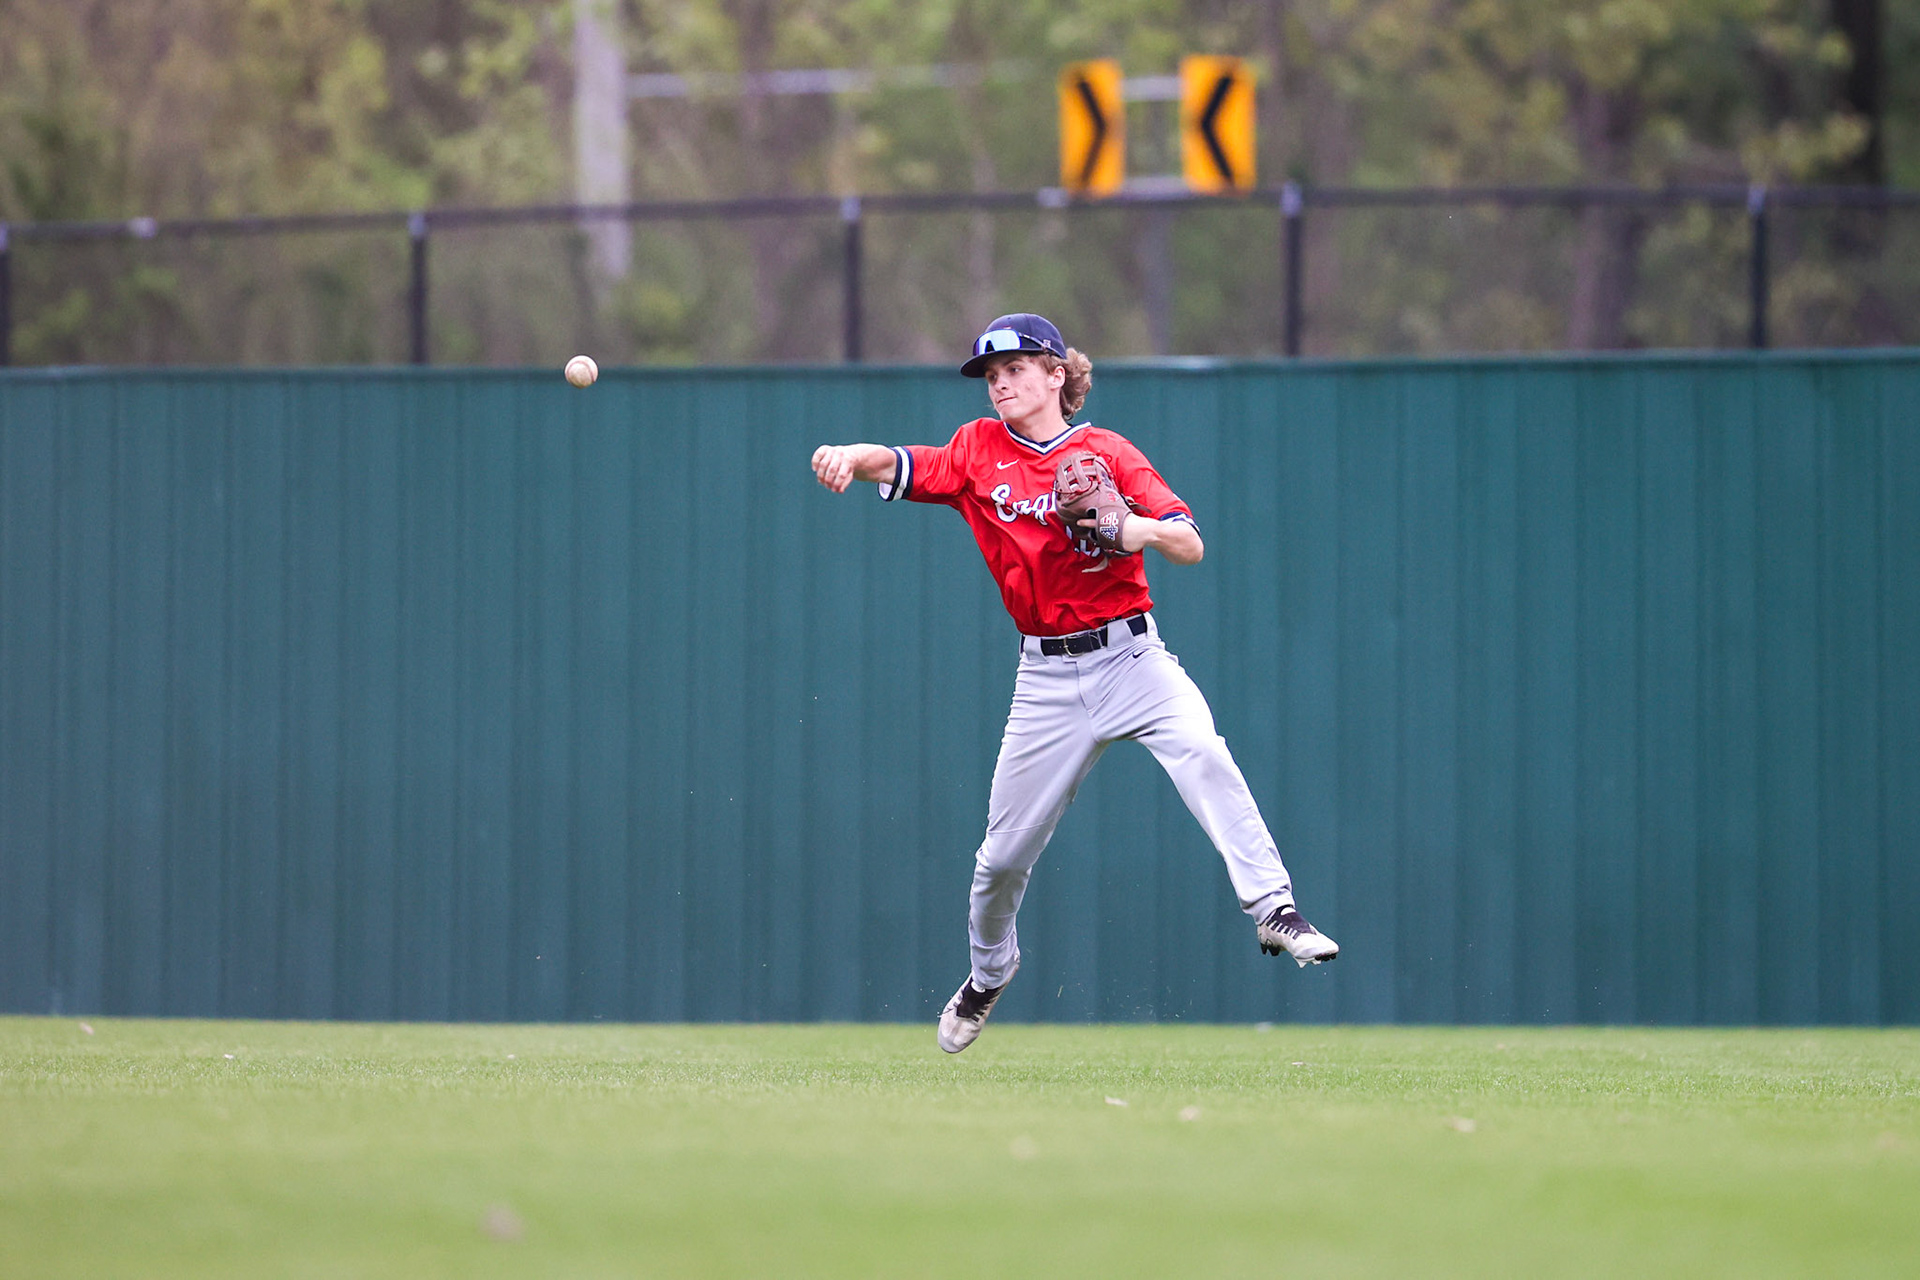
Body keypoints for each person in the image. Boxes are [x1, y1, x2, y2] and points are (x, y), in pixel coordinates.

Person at [810, 313, 1337, 1054]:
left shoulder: (1106, 452)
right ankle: (989, 974)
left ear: (1059, 374)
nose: (1002, 384)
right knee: (999, 861)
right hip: (1046, 677)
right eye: (992, 376)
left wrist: (1129, 527)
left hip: (1133, 660)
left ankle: (1275, 908)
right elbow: (898, 460)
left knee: (1205, 753)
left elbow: (1189, 542)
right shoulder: (976, 449)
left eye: (1017, 369)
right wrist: (845, 453)